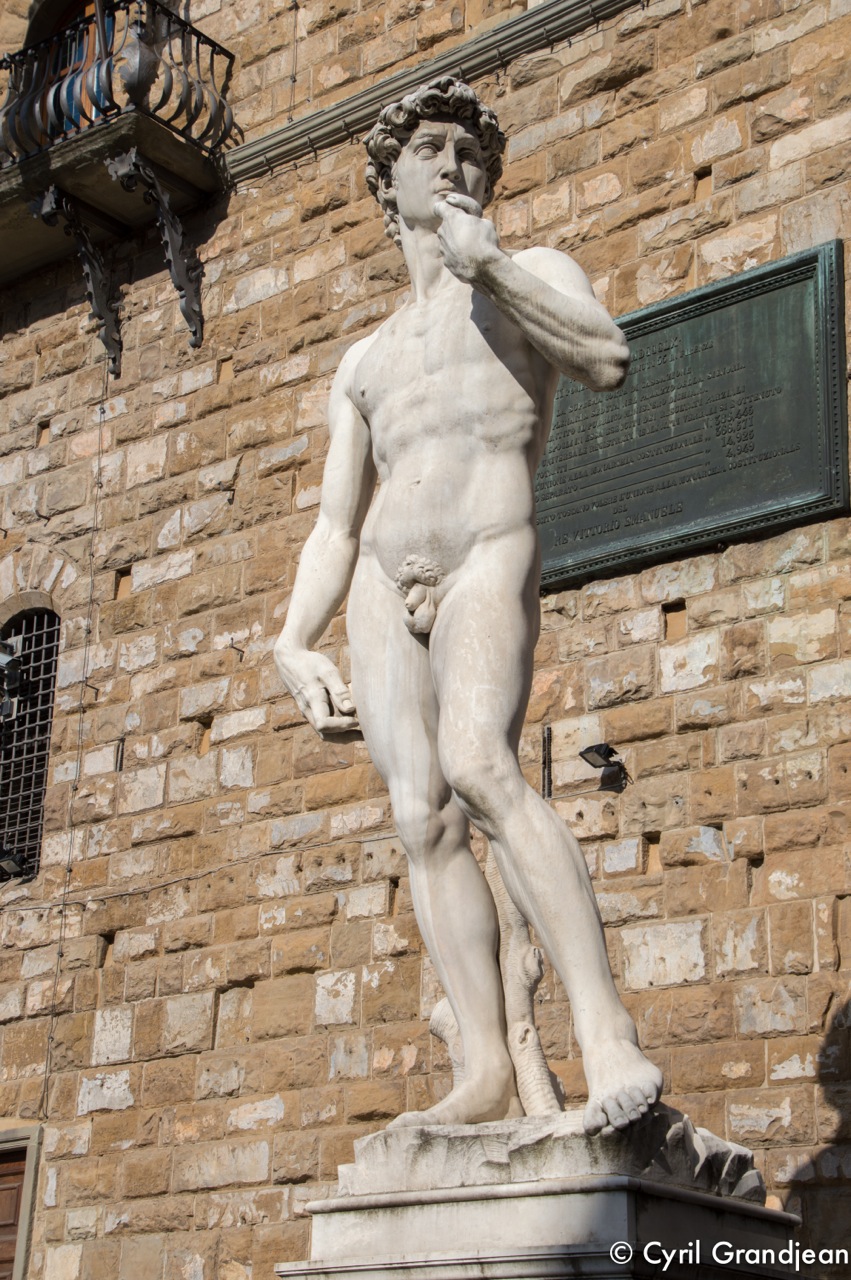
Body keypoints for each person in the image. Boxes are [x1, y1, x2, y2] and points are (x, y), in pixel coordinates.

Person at [274, 77, 662, 1134]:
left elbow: (606, 357)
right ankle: (486, 1065)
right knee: (420, 815)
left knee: (482, 765)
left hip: (487, 548)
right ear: (388, 181)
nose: (455, 167)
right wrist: (290, 639)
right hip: (375, 580)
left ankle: (605, 1032)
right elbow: (333, 523)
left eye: (472, 154)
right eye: (432, 150)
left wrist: (485, 259)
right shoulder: (363, 360)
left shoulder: (527, 274)